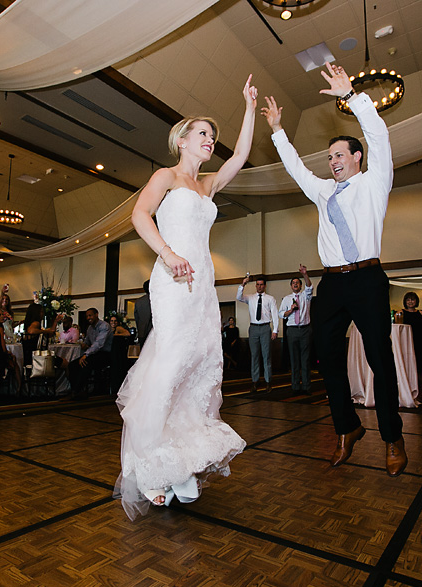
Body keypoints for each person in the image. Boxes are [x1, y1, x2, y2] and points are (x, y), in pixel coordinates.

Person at [115, 75, 256, 518]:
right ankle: (150, 468)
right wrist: (168, 253)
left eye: (213, 136)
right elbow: (139, 214)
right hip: (172, 277)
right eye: (203, 134)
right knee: (172, 360)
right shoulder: (166, 176)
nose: (210, 140)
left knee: (199, 362)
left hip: (203, 282)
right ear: (182, 140)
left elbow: (245, 156)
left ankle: (180, 461)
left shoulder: (208, 184)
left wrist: (250, 108)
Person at [262, 62, 407, 476]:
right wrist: (277, 130)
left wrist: (354, 96)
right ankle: (347, 429)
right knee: (326, 356)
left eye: (339, 155)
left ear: (356, 157)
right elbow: (294, 168)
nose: (332, 162)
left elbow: (379, 135)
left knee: (381, 359)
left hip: (367, 278)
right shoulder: (323, 190)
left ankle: (392, 437)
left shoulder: (375, 180)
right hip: (332, 283)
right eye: (329, 157)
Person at [237, 274, 278, 393]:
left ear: (265, 286)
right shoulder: (250, 298)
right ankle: (255, 381)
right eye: (258, 285)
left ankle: (268, 381)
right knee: (254, 356)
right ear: (256, 286)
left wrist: (275, 330)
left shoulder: (270, 298)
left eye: (261, 285)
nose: (259, 287)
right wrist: (242, 284)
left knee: (266, 356)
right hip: (253, 328)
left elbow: (275, 314)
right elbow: (238, 297)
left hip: (265, 328)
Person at [278, 264, 313, 394]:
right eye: (293, 283)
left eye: (298, 283)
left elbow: (310, 286)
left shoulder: (305, 296)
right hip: (292, 330)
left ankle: (306, 386)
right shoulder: (287, 299)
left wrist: (305, 274)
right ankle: (295, 386)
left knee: (305, 359)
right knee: (294, 359)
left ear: (300, 285)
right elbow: (280, 314)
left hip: (305, 330)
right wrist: (290, 310)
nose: (296, 285)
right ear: (291, 286)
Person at [68, 307, 112, 398]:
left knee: (85, 363)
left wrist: (86, 354)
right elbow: (87, 341)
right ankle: (75, 390)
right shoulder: (89, 328)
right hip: (94, 353)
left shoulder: (104, 326)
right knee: (72, 365)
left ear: (96, 315)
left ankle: (78, 391)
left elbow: (98, 344)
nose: (88, 318)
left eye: (90, 315)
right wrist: (83, 344)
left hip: (105, 354)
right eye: (87, 316)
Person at [398, 291, 422, 403]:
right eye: (408, 300)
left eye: (412, 299)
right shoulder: (401, 313)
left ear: (416, 301)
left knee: (420, 367)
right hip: (407, 342)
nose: (410, 302)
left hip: (419, 342)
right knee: (409, 366)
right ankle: (414, 391)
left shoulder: (420, 313)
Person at [108, 315, 132, 394]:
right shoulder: (110, 329)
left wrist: (116, 335)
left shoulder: (118, 328)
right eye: (111, 321)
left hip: (118, 354)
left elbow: (128, 334)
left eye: (115, 321)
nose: (113, 322)